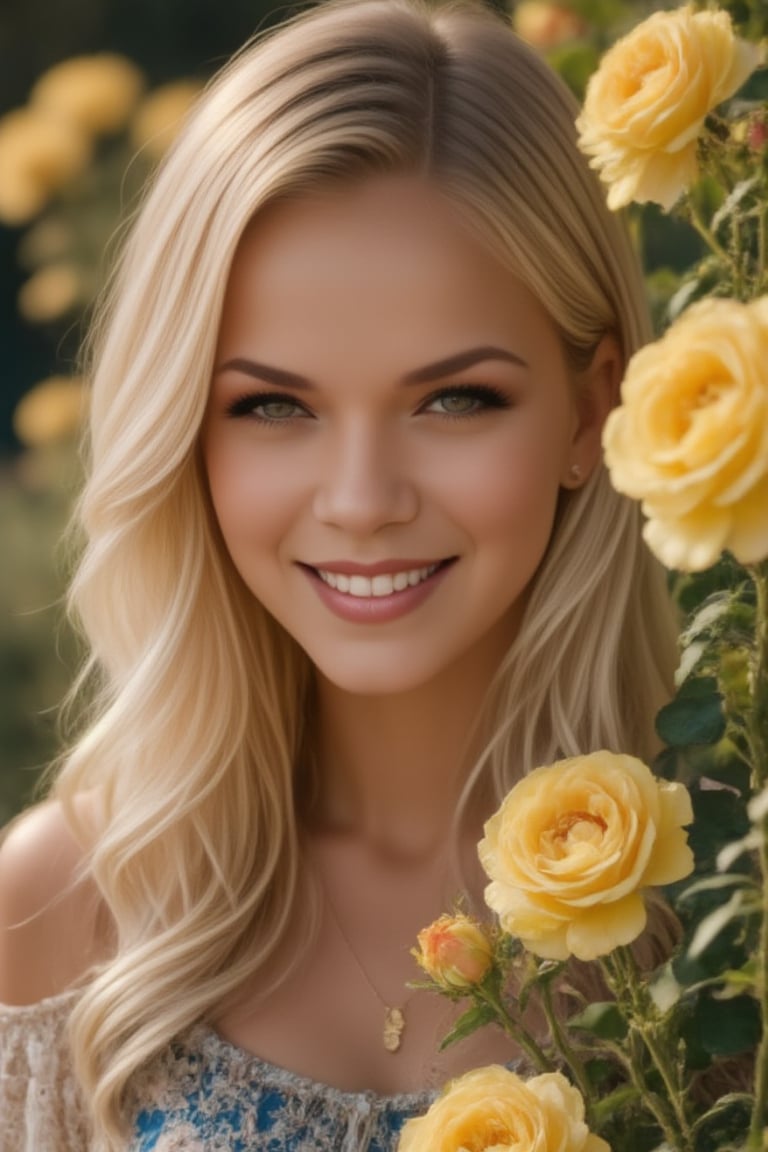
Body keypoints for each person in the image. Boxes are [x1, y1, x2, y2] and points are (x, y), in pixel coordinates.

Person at [0, 0, 679, 1147]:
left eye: (455, 399)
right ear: (183, 433)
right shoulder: (64, 907)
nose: (362, 500)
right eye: (274, 406)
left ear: (591, 409)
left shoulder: (725, 907)